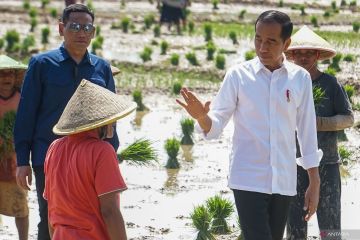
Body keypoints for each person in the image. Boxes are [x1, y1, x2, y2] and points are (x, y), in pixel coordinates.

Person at [176, 10, 322, 240]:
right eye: (258, 39)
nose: (262, 47)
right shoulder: (238, 76)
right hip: (247, 178)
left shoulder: (300, 78)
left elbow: (306, 131)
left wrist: (314, 180)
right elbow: (216, 124)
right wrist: (201, 117)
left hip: (284, 180)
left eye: (271, 41)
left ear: (286, 43)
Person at [14, 4, 119, 240]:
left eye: (87, 27)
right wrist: (23, 160)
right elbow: (26, 114)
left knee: (92, 216)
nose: (81, 33)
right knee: (51, 217)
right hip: (49, 157)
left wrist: (113, 152)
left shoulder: (101, 67)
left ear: (93, 32)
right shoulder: (42, 64)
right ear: (61, 28)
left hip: (91, 158)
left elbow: (110, 113)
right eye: (74, 26)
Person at [44, 79, 136, 240]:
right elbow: (109, 211)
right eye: (110, 119)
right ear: (99, 123)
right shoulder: (102, 151)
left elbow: (52, 207)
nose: (112, 123)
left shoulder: (54, 148)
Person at [285, 26, 354, 240]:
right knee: (295, 228)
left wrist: (317, 123)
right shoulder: (285, 83)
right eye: (299, 53)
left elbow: (348, 118)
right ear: (292, 55)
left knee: (331, 228)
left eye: (309, 53)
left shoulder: (330, 84)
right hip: (293, 163)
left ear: (317, 55)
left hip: (328, 163)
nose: (303, 57)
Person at [0, 55, 28, 240]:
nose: (6, 78)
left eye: (10, 73)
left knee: (20, 205)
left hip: (16, 161)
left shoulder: (22, 99)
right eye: (1, 75)